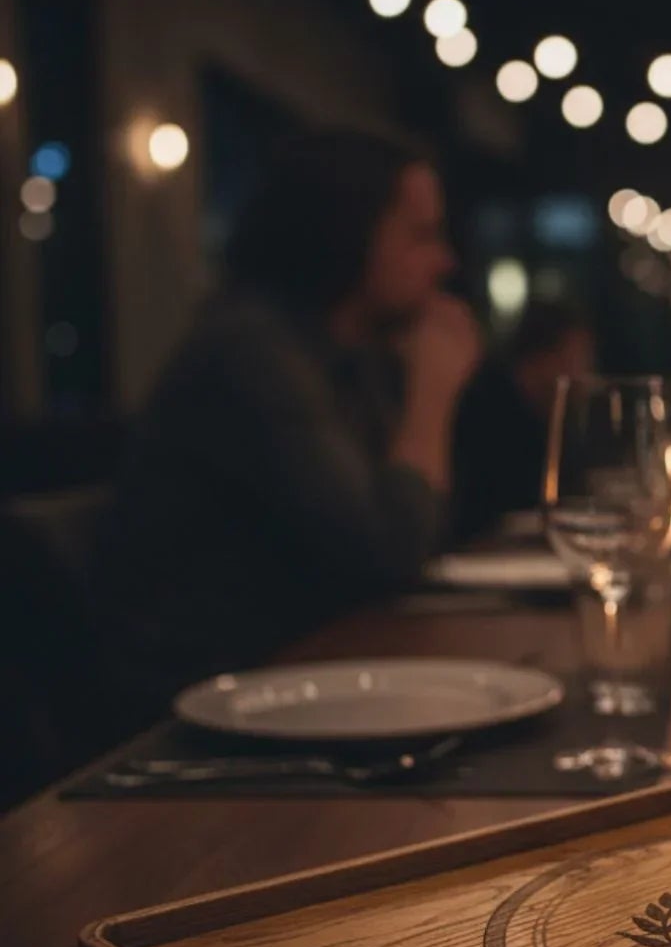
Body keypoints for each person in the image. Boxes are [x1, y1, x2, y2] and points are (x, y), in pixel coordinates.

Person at [93, 129, 482, 713]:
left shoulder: (349, 355)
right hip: (198, 716)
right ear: (346, 234)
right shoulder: (250, 352)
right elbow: (390, 552)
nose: (445, 261)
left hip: (299, 680)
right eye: (421, 235)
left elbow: (423, 534)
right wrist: (431, 396)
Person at [449, 298, 595, 542]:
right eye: (577, 358)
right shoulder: (490, 407)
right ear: (543, 357)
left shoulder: (550, 412)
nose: (584, 373)